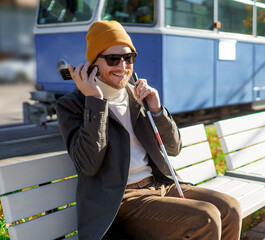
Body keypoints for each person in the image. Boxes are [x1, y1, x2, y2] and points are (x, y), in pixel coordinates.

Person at [56, 20, 241, 240]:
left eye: (129, 57)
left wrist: (156, 110)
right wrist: (95, 101)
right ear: (93, 64)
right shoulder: (74, 104)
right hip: (120, 201)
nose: (122, 66)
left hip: (159, 185)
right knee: (206, 218)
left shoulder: (137, 97)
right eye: (113, 59)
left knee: (230, 208)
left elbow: (173, 148)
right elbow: (88, 164)